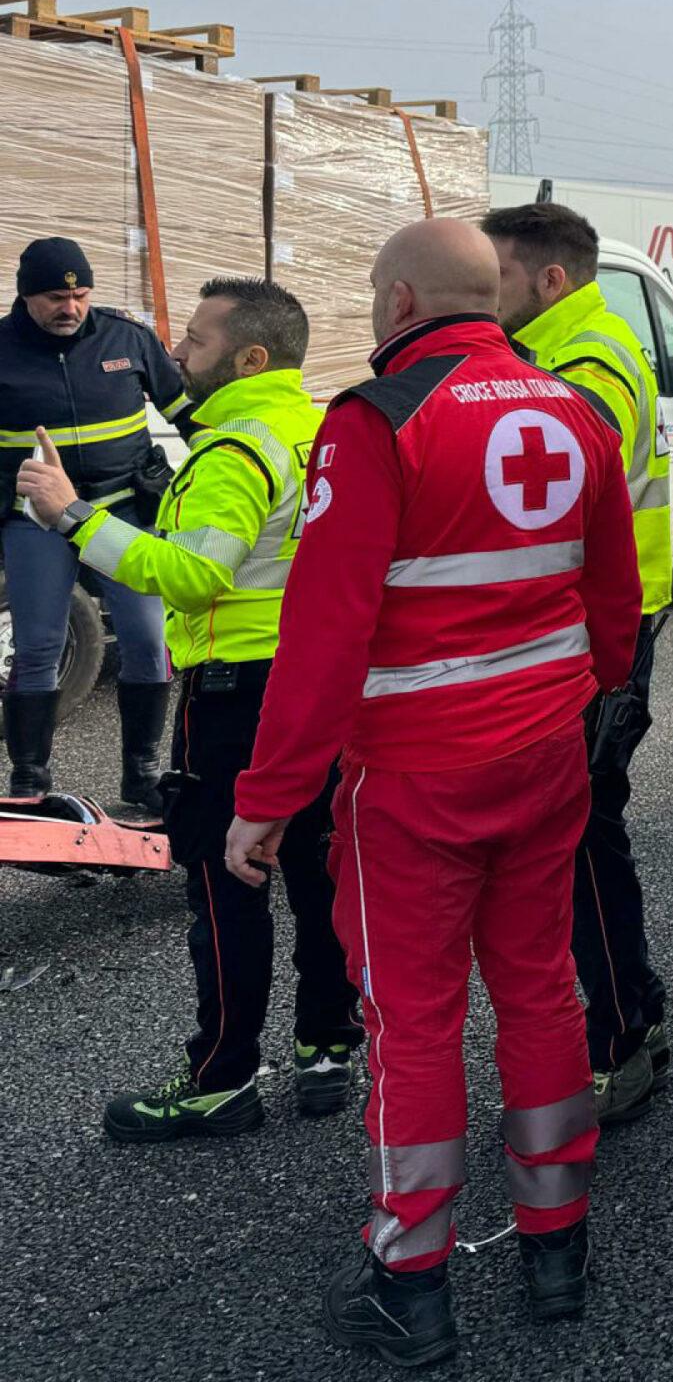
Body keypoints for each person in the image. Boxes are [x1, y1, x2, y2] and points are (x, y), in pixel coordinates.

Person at [223, 220, 640, 1367]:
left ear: (402, 298)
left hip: (413, 774)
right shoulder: (576, 412)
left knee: (414, 1019)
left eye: (369, 292)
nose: (367, 308)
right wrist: (576, 705)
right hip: (544, 754)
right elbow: (614, 605)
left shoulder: (377, 420)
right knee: (543, 990)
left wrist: (266, 796)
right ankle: (558, 1242)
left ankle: (411, 1278)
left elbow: (321, 632)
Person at [17, 280, 363, 1140]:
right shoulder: (320, 429)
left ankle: (221, 1078)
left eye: (196, 340)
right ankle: (329, 1047)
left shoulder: (235, 451)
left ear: (250, 357)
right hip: (325, 684)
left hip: (237, 695)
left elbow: (194, 573)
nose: (176, 352)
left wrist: (71, 518)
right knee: (323, 874)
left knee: (225, 884)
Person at [483, 202, 673, 1124]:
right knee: (580, 830)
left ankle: (623, 1038)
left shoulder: (587, 365)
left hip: (602, 630)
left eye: (500, 276)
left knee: (582, 832)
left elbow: (554, 500)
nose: (488, 293)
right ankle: (629, 1008)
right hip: (592, 624)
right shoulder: (552, 356)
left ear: (550, 280)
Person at [1, 237, 184, 810]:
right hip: (37, 520)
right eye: (57, 296)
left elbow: (191, 416)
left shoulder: (126, 338)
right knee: (38, 647)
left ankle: (142, 777)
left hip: (121, 511)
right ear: (26, 295)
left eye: (81, 295)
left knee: (149, 643)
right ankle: (29, 782)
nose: (71, 308)